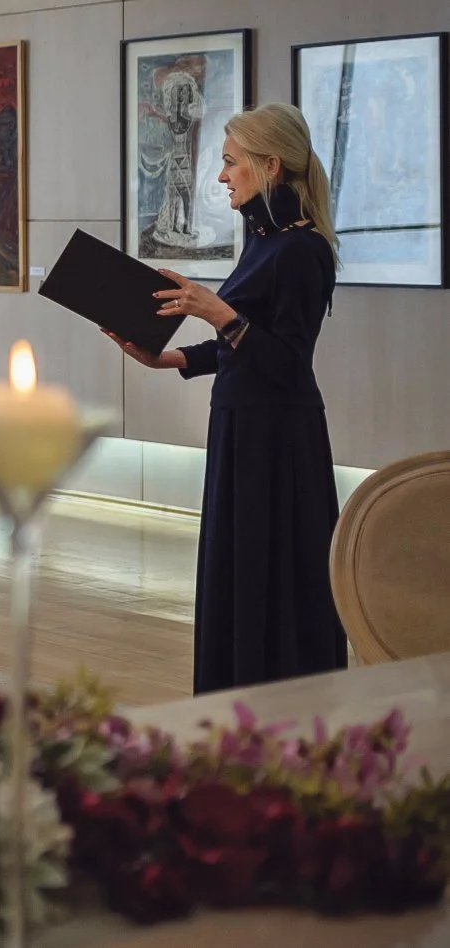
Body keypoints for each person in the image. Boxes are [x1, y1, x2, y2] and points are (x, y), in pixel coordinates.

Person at [109, 102, 350, 695]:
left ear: (270, 165)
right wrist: (169, 359)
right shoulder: (264, 241)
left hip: (279, 439)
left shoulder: (303, 250)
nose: (220, 176)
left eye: (230, 162)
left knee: (273, 576)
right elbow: (243, 343)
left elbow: (288, 363)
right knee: (237, 570)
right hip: (240, 426)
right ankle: (234, 701)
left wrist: (217, 312)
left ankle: (279, 705)